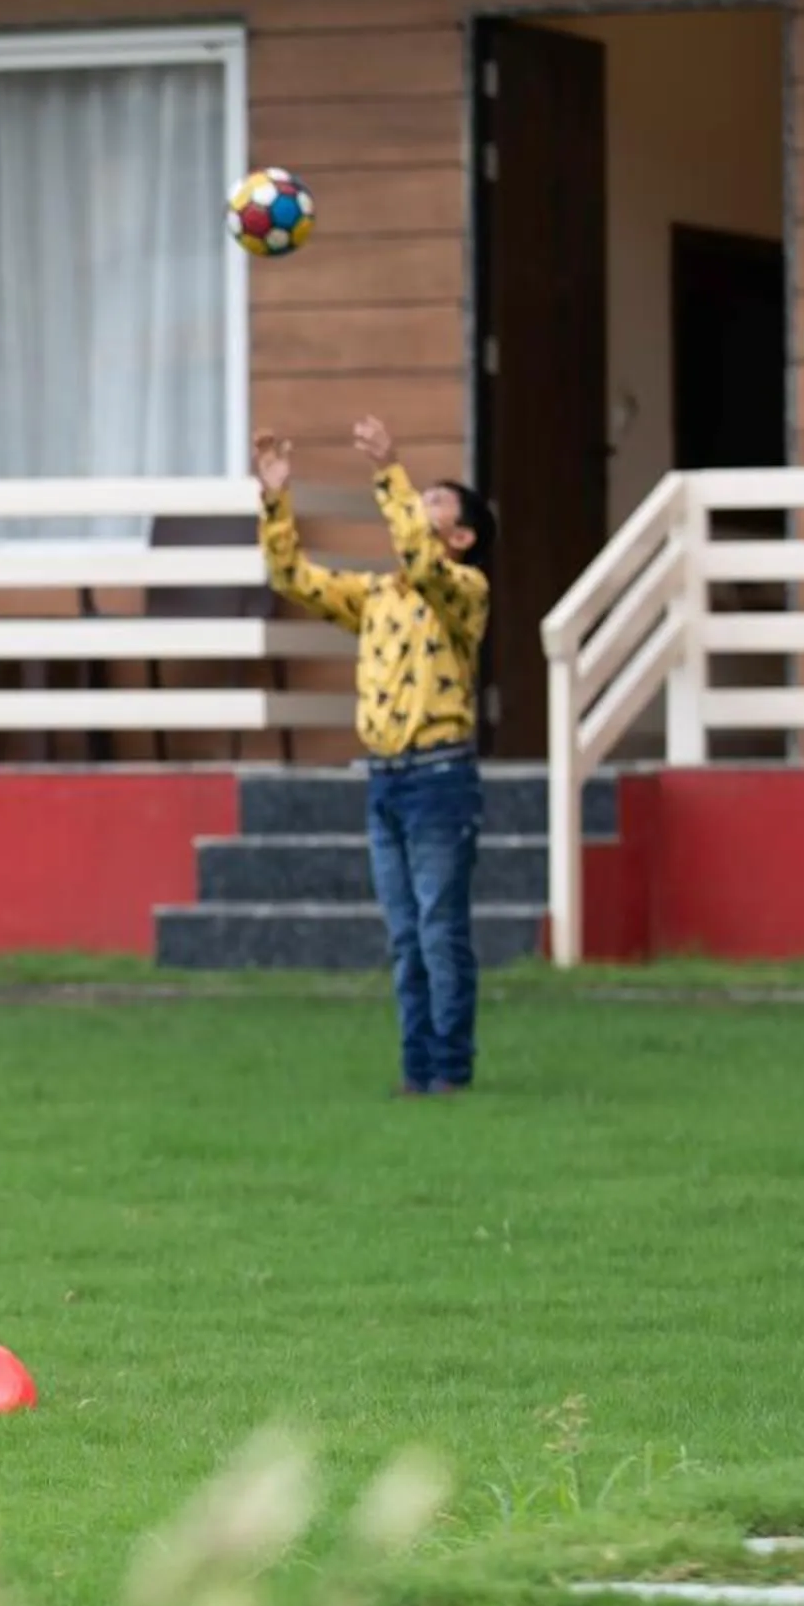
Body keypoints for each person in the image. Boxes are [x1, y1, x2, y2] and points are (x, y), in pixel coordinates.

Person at [252, 419, 494, 1097]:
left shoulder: (465, 593)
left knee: (440, 928)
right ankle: (417, 1070)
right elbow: (293, 577)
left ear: (462, 538)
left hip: (441, 777)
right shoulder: (379, 596)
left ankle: (450, 1069)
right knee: (405, 934)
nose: (417, 509)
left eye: (432, 505)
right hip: (385, 780)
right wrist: (276, 501)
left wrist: (391, 469)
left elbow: (422, 561)